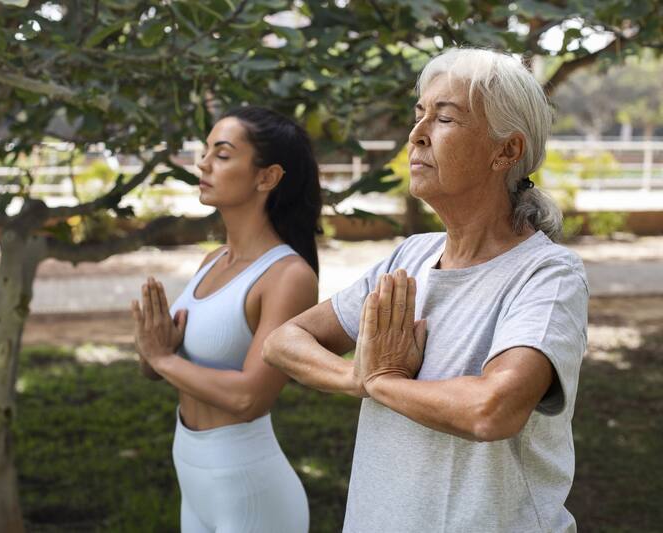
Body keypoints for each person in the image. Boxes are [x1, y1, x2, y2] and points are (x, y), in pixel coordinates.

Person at [263, 47, 589, 532]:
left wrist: (384, 381)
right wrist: (358, 377)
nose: (417, 133)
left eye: (445, 118)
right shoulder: (410, 257)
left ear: (507, 151)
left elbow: (491, 409)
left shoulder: (547, 275)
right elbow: (282, 341)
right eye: (419, 114)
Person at [131, 105, 321, 533]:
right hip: (193, 475)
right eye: (206, 152)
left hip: (251, 492)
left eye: (221, 154)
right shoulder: (212, 261)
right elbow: (155, 367)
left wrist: (162, 359)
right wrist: (152, 349)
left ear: (267, 177)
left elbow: (251, 398)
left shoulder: (288, 276)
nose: (203, 163)